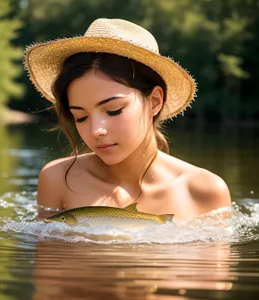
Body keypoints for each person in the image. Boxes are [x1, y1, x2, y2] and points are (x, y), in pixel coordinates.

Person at [24, 18, 231, 222]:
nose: (96, 130)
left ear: (155, 101)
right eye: (81, 117)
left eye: (113, 111)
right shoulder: (57, 179)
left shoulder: (205, 192)